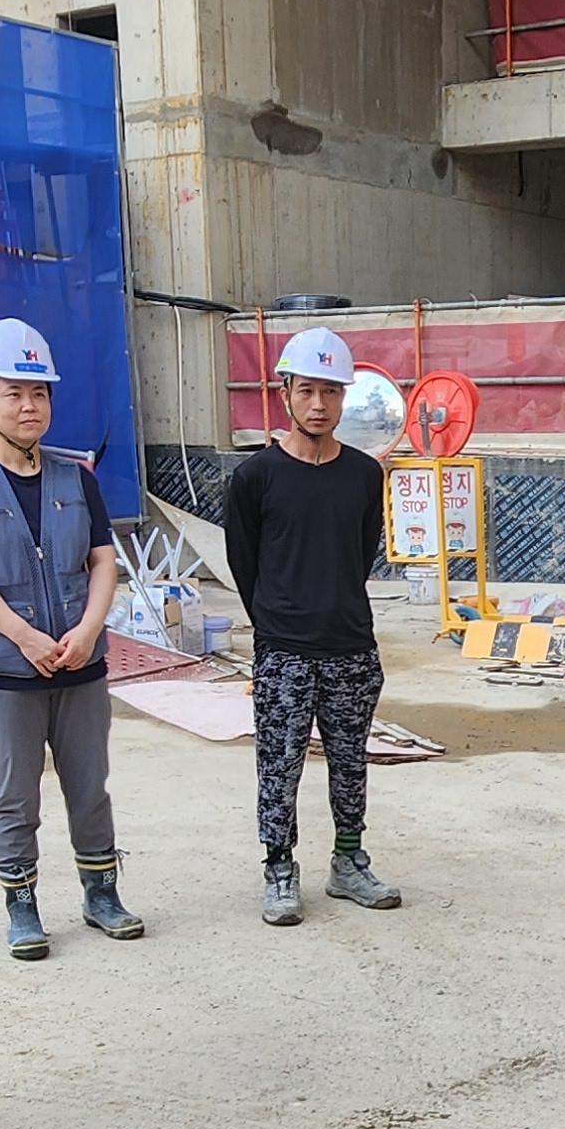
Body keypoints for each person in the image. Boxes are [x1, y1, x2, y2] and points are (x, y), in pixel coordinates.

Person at [0, 316, 140, 959]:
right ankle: (21, 906)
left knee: (89, 787)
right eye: (14, 393)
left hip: (80, 665)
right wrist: (25, 638)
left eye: (39, 393)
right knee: (15, 795)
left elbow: (103, 561)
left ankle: (101, 894)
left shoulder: (76, 478)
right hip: (5, 671)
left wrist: (88, 629)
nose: (29, 406)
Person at [222, 326, 401, 926]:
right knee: (279, 764)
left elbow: (362, 551)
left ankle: (349, 862)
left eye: (330, 392)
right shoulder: (256, 478)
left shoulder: (363, 475)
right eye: (306, 391)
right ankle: (279, 866)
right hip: (285, 652)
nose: (318, 404)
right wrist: (278, 623)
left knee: (351, 762)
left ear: (344, 396)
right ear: (285, 395)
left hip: (352, 646)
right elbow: (243, 563)